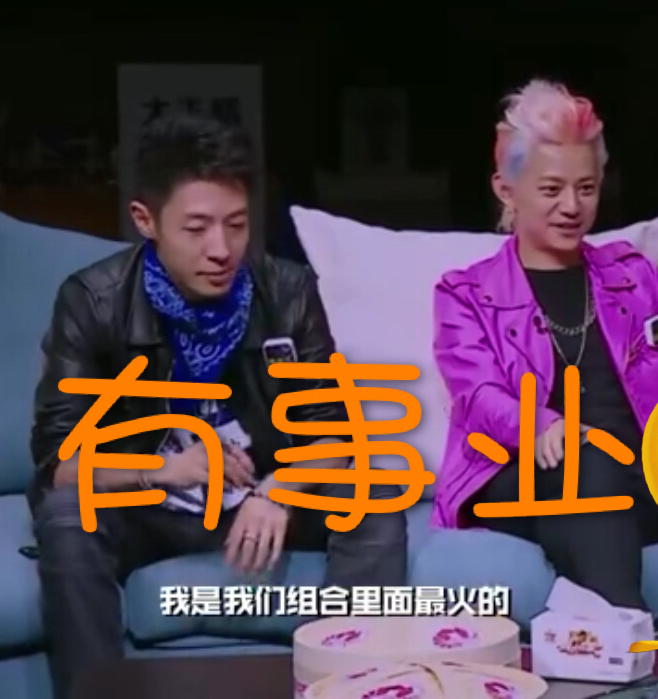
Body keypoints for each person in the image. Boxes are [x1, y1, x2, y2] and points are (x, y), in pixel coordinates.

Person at [29, 113, 407, 699]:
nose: (221, 250)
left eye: (236, 224)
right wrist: (165, 469)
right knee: (67, 515)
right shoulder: (93, 300)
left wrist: (280, 490)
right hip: (151, 505)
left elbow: (333, 434)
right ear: (145, 220)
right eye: (197, 228)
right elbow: (60, 465)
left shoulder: (286, 291)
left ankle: (348, 686)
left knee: (374, 495)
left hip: (255, 496)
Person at [430, 79, 658, 611]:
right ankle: (631, 629)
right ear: (506, 190)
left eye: (587, 188)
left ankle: (597, 630)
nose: (572, 207)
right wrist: (541, 424)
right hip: (519, 475)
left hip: (633, 481)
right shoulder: (465, 293)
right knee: (587, 461)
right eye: (551, 190)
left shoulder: (633, 278)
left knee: (598, 480)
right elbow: (477, 394)